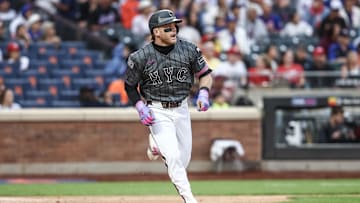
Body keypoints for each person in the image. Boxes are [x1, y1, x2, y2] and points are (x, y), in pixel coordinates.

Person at [124, 9, 212, 203]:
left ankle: (156, 145)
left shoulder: (188, 49)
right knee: (172, 157)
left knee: (183, 160)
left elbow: (205, 74)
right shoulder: (140, 57)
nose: (174, 31)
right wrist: (140, 106)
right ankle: (190, 199)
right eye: (168, 28)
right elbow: (130, 86)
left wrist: (204, 92)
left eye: (175, 27)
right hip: (157, 110)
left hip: (182, 108)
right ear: (156, 32)